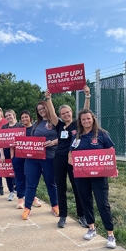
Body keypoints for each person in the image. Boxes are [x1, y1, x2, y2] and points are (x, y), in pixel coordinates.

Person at [68, 108, 116, 249]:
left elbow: (111, 151)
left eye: (88, 118)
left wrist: (113, 167)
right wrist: (71, 159)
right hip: (82, 174)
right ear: (80, 122)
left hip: (99, 174)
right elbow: (71, 151)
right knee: (85, 201)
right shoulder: (77, 136)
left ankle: (110, 235)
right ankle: (91, 228)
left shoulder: (102, 134)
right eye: (83, 119)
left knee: (103, 203)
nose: (86, 121)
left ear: (93, 119)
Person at [45, 86, 91, 228]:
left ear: (72, 112)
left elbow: (85, 111)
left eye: (68, 112)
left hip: (74, 158)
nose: (66, 115)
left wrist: (87, 96)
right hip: (59, 157)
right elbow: (52, 113)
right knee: (61, 187)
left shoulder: (78, 124)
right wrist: (48, 98)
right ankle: (63, 216)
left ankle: (82, 215)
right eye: (63, 113)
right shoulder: (58, 125)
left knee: (77, 187)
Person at [21, 101, 58, 220]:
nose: (41, 111)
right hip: (33, 158)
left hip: (50, 157)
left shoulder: (56, 122)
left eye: (43, 108)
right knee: (31, 183)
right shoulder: (37, 124)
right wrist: (20, 145)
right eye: (39, 109)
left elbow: (64, 136)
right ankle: (27, 208)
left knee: (51, 183)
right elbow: (31, 141)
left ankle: (55, 205)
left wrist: (52, 142)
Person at [17, 110, 41, 209]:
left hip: (32, 158)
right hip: (19, 156)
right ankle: (20, 199)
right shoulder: (19, 129)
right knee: (19, 178)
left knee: (30, 179)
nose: (24, 119)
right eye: (22, 118)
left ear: (30, 118)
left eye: (26, 117)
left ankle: (33, 198)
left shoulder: (35, 129)